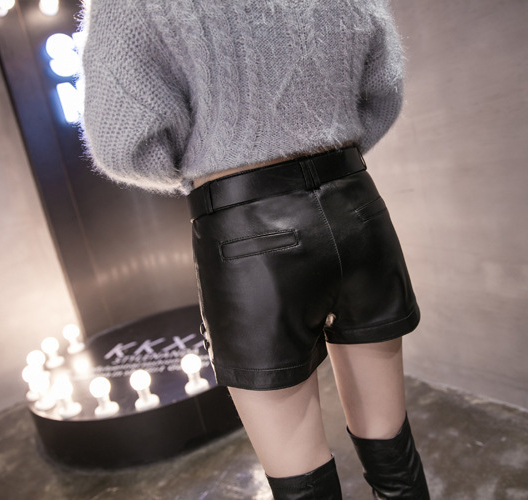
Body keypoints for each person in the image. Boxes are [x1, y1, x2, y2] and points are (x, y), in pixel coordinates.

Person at [79, 0, 430, 498]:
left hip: (247, 234)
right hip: (355, 208)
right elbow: (383, 91)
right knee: (395, 461)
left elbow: (125, 144)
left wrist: (221, 162)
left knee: (302, 483)